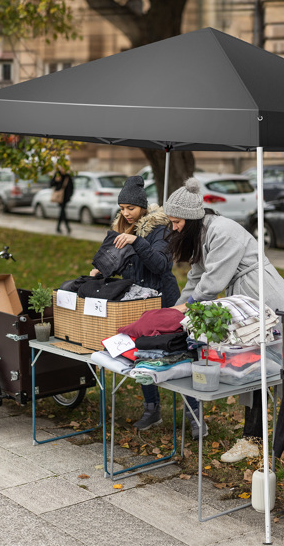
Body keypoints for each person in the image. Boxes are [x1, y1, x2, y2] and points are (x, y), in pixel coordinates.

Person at [164, 177, 284, 463]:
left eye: (176, 222)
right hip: (244, 301)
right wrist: (174, 312)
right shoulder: (202, 234)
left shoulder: (223, 231)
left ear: (191, 218)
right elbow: (195, 278)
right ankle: (252, 439)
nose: (173, 227)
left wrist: (187, 309)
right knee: (253, 367)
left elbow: (212, 283)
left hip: (265, 297)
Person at [89, 176, 205, 438]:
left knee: (179, 355)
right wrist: (102, 268)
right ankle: (152, 409)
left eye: (130, 208)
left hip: (165, 302)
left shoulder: (161, 228)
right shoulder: (123, 229)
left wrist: (136, 242)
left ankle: (194, 414)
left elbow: (161, 265)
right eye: (122, 208)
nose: (125, 213)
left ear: (142, 207)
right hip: (138, 301)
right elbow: (125, 265)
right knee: (141, 355)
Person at [50, 168, 74, 235]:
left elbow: (71, 187)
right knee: (62, 211)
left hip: (65, 198)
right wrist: (56, 180)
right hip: (59, 197)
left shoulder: (68, 176)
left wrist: (69, 196)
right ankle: (66, 227)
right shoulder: (57, 175)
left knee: (62, 212)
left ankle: (59, 227)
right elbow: (51, 184)